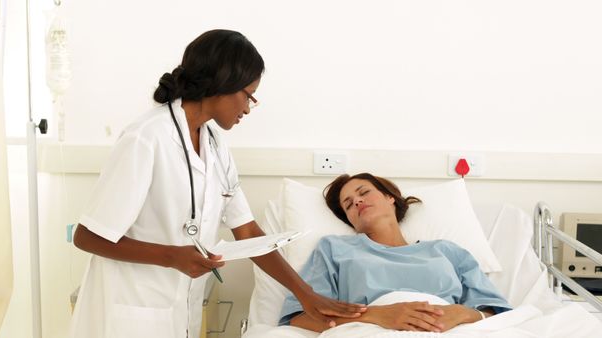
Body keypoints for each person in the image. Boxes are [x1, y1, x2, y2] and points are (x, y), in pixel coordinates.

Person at [69, 30, 365, 338]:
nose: (248, 108)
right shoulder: (146, 138)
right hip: (130, 312)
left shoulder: (214, 144)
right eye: (247, 95)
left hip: (179, 312)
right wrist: (172, 256)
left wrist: (306, 294)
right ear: (221, 83)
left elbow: (247, 232)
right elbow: (87, 236)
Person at [279, 173, 512, 333]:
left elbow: (497, 315)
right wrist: (376, 316)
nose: (357, 201)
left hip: (449, 330)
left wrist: (462, 314)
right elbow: (299, 318)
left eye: (364, 192)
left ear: (390, 197)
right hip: (368, 331)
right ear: (350, 220)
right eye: (348, 205)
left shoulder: (446, 251)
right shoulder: (334, 249)